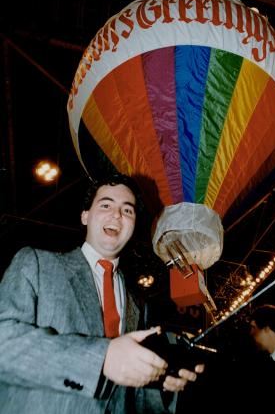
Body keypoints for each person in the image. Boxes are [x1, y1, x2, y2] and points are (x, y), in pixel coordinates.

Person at [0, 173, 204, 414]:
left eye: (127, 210)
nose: (117, 215)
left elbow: (131, 396)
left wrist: (159, 381)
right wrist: (101, 358)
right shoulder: (36, 264)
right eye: (106, 205)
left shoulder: (139, 304)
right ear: (85, 216)